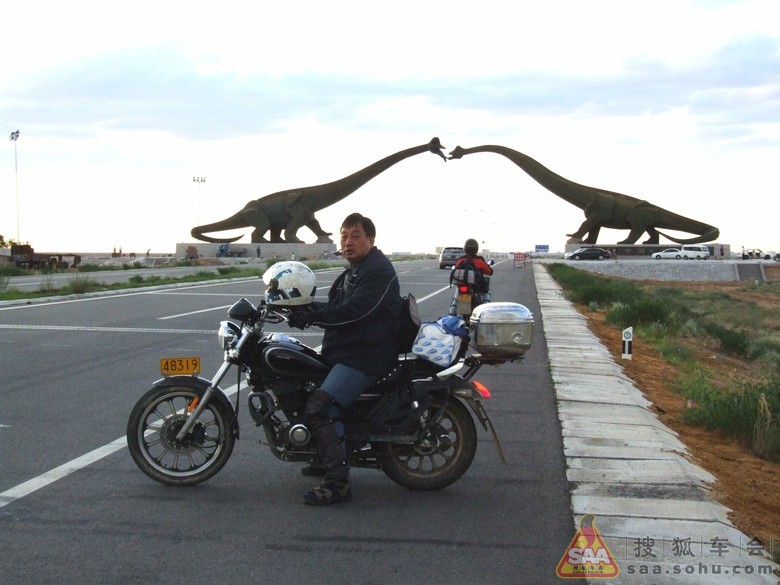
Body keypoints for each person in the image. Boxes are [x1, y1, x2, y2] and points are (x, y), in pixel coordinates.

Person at [287, 212, 400, 505]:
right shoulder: (353, 270)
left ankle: (338, 484)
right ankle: (324, 454)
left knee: (320, 407)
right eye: (344, 236)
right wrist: (295, 305)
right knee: (305, 388)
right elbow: (335, 306)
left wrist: (312, 317)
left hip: (365, 356)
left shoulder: (378, 271)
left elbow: (357, 312)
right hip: (347, 351)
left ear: (371, 240)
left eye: (355, 236)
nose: (348, 242)